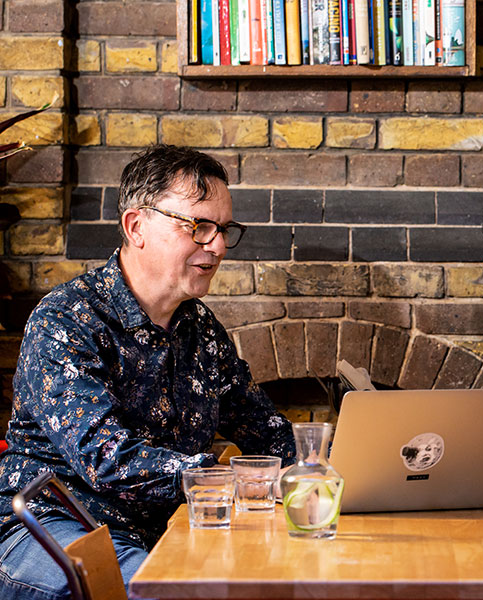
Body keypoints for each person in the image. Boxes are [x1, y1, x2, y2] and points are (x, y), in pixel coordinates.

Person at [0, 145, 295, 600]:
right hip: (50, 526)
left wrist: (329, 467)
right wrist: (227, 480)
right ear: (136, 226)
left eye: (223, 230)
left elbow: (264, 429)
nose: (216, 246)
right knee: (173, 593)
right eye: (199, 227)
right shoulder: (65, 320)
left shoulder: (200, 327)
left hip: (160, 530)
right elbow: (108, 459)